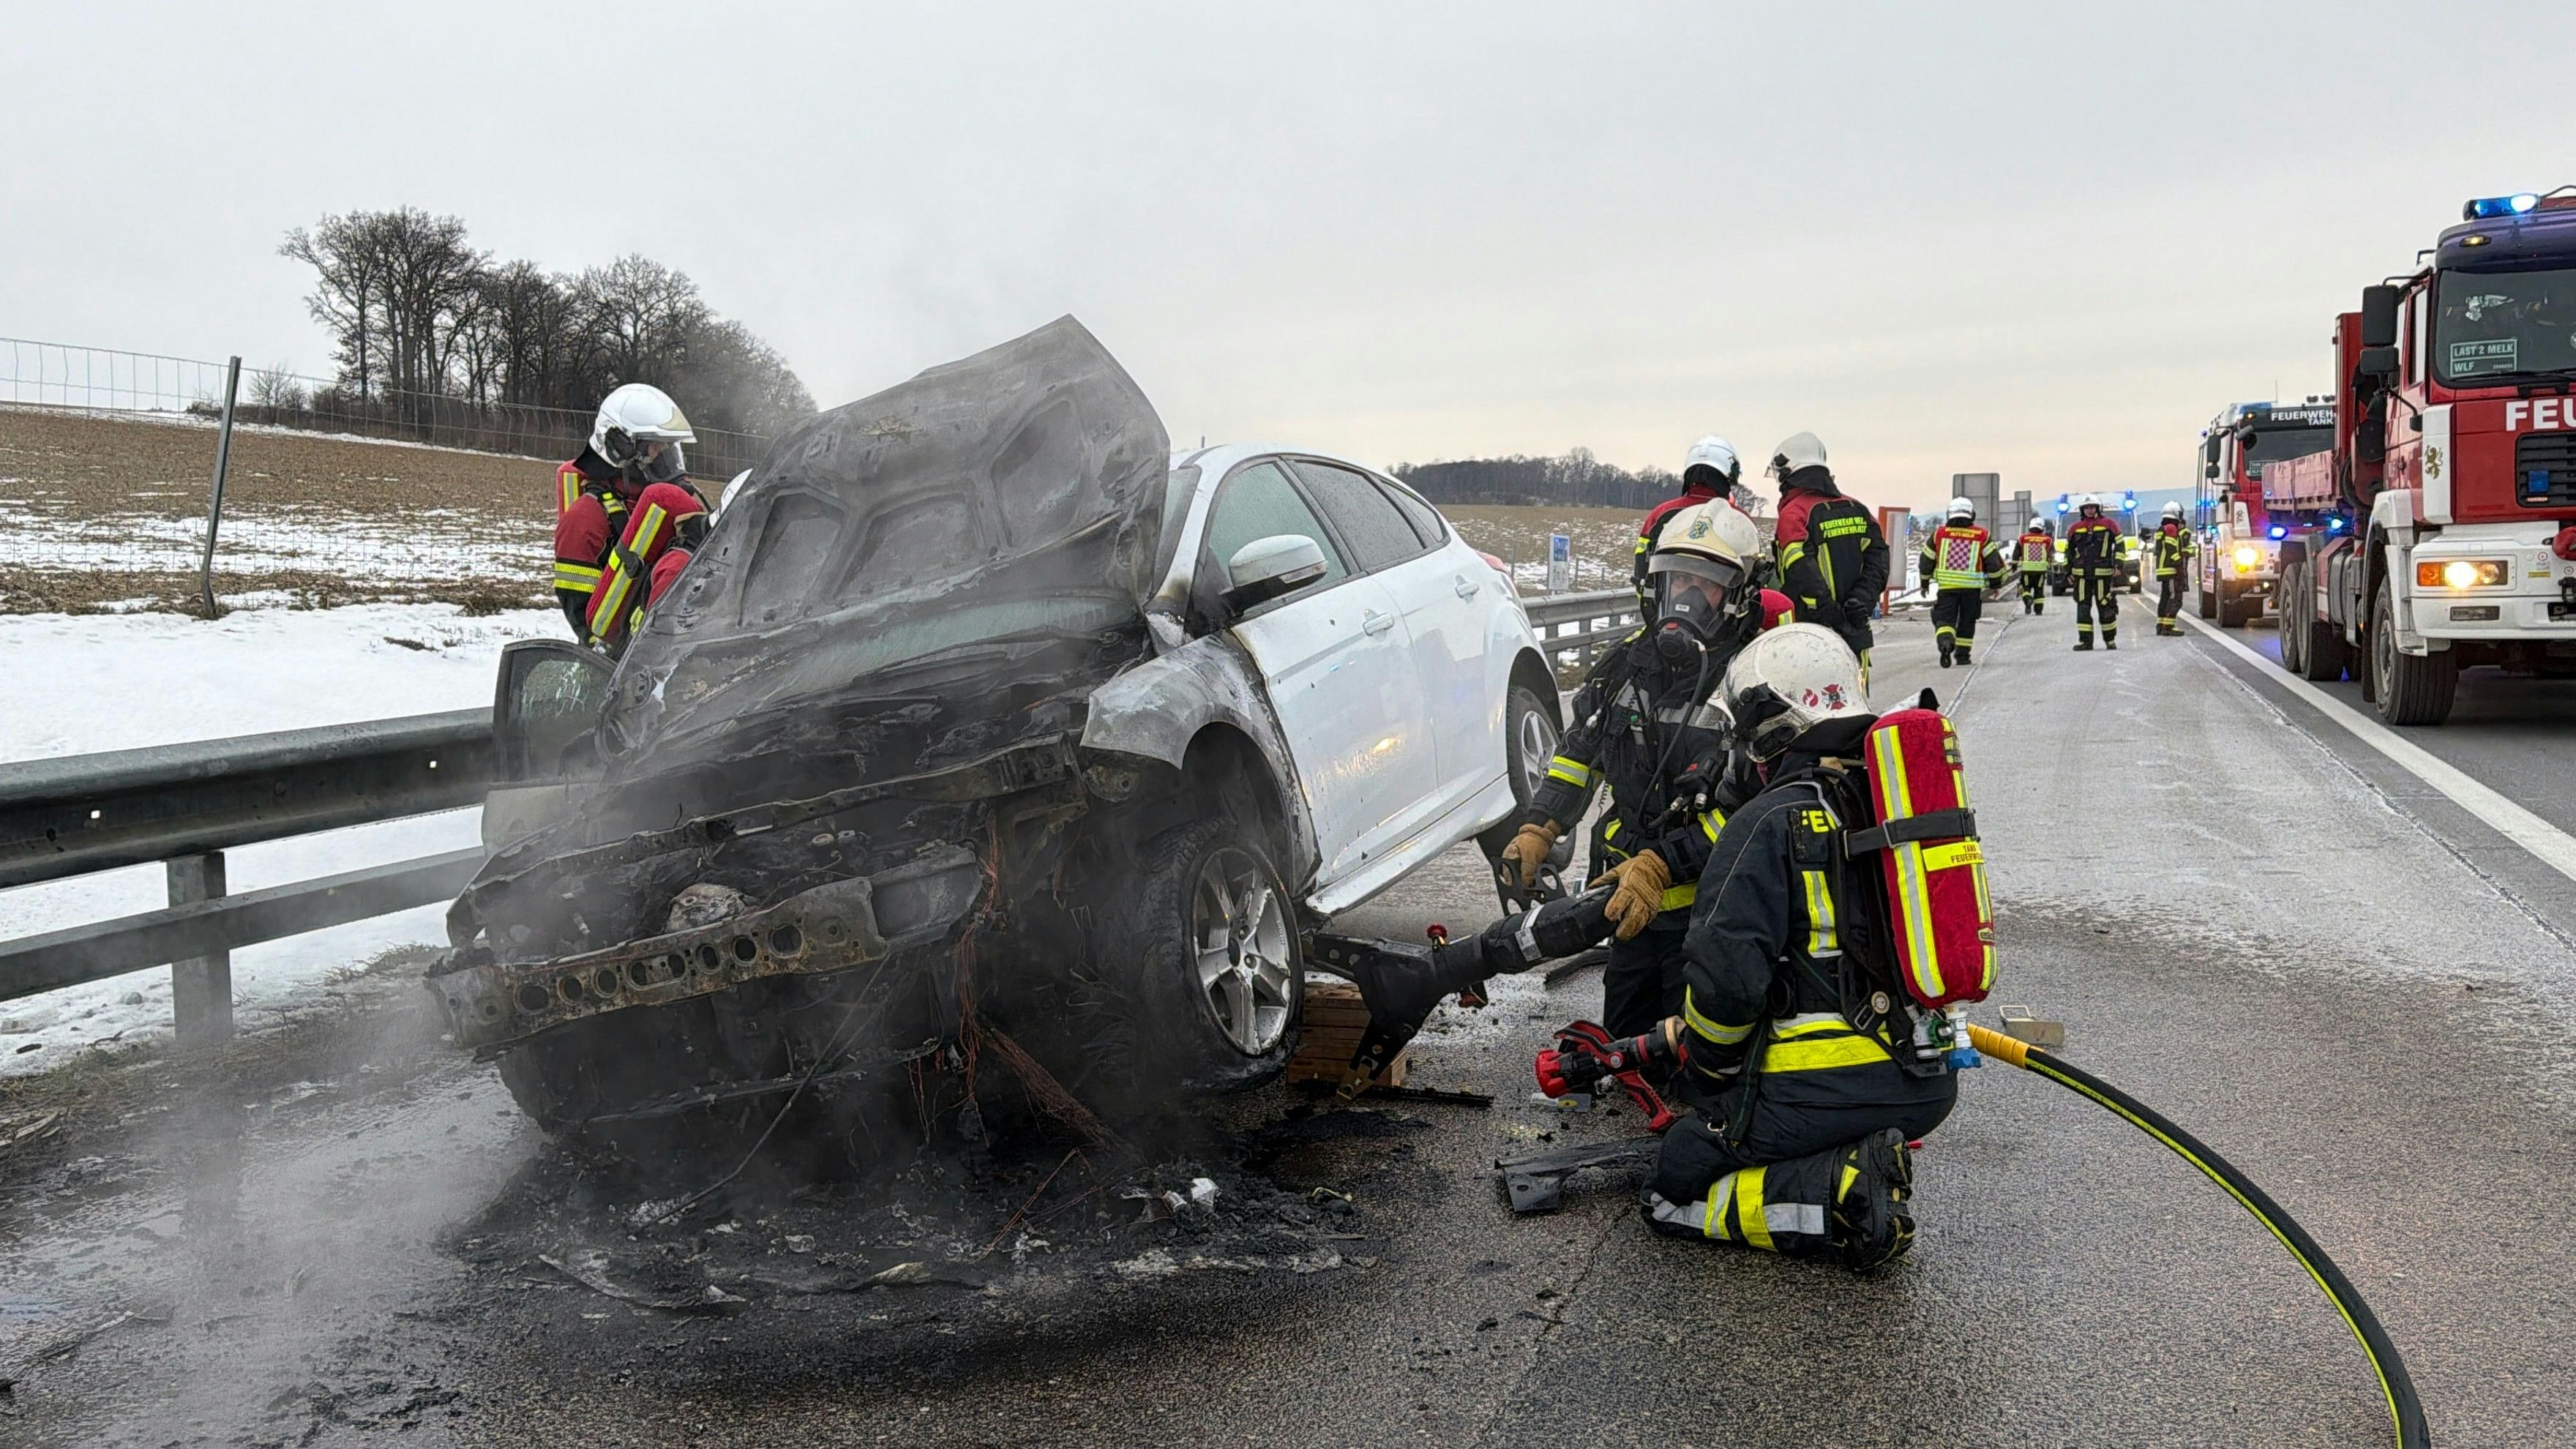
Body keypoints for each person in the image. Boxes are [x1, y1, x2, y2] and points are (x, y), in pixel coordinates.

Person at [1545, 625, 1954, 1268]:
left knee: (1673, 1182)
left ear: (1767, 733)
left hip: (1827, 1082)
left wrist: (1709, 1082)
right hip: (1929, 1082)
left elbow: (1727, 984)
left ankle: (1843, 1192)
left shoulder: (1766, 820)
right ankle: (1853, 1147)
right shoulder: (1895, 801)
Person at [1501, 502, 1768, 1038]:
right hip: (1631, 909)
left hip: (1713, 918)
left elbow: (1753, 818)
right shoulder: (1627, 668)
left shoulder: (1755, 680)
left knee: (1693, 1059)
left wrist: (1665, 863)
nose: (1688, 597)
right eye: (1678, 579)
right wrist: (1539, 825)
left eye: (1706, 584)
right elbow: (1580, 756)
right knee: (1624, 1049)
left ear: (1738, 598)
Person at [553, 383, 710, 655]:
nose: (667, 459)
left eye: (670, 448)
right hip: (622, 662)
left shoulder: (657, 507)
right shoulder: (585, 520)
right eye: (656, 448)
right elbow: (587, 623)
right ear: (619, 448)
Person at [1767, 433, 1890, 685]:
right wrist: (1860, 603)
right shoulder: (1858, 509)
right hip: (1856, 630)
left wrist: (1831, 614)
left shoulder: (1795, 513)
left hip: (1810, 635)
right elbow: (1879, 562)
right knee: (1856, 705)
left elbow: (1800, 570)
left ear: (1788, 471)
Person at [1633, 436, 1742, 605]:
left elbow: (1642, 565)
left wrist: (1651, 610)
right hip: (1719, 622)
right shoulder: (1736, 519)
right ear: (1730, 474)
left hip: (1663, 613)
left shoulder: (1662, 514)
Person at [1917, 497, 2010, 668]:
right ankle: (1963, 656)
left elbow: (1926, 560)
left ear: (1949, 514)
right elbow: (1993, 563)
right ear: (1972, 514)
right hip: (1972, 590)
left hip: (1947, 589)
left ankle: (1946, 642)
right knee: (1968, 621)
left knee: (1945, 620)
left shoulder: (1939, 534)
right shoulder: (1982, 535)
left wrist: (1924, 583)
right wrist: (1996, 585)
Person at [2064, 494, 2123, 651]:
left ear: (2098, 508)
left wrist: (2119, 565)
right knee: (2083, 608)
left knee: (2106, 607)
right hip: (2081, 576)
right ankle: (2086, 642)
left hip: (2102, 575)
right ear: (2082, 510)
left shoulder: (2109, 524)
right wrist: (2068, 573)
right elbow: (2068, 553)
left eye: (2092, 507)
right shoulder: (2075, 528)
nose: (2089, 510)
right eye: (2087, 508)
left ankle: (2110, 640)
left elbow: (2120, 546)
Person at [2150, 501, 2192, 636]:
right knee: (2175, 598)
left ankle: (2160, 625)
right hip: (2171, 569)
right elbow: (2171, 548)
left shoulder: (2162, 528)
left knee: (2165, 598)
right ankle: (2168, 626)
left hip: (2163, 569)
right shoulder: (2171, 529)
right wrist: (2179, 562)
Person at [2015, 517, 2054, 615]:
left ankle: (2028, 600)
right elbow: (2052, 555)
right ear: (2042, 528)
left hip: (2027, 571)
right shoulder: (2048, 540)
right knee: (2039, 590)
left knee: (2026, 588)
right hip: (2041, 571)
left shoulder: (2022, 539)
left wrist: (2014, 565)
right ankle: (2038, 610)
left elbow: (2016, 553)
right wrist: (2055, 567)